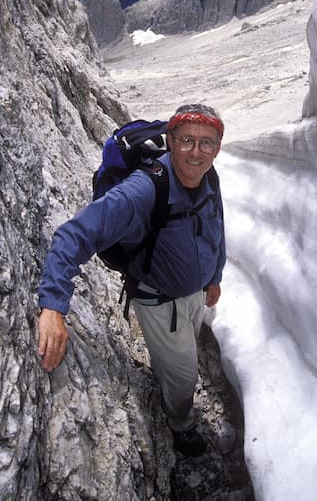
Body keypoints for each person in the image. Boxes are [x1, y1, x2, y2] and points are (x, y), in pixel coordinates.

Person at [37, 103, 226, 457]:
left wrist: (214, 275)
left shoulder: (207, 175)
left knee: (183, 359)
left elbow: (215, 224)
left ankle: (174, 387)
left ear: (217, 148)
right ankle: (181, 425)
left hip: (194, 293)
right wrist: (52, 306)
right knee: (184, 377)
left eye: (206, 143)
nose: (196, 151)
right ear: (171, 141)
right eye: (186, 140)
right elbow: (73, 236)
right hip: (160, 302)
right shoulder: (144, 190)